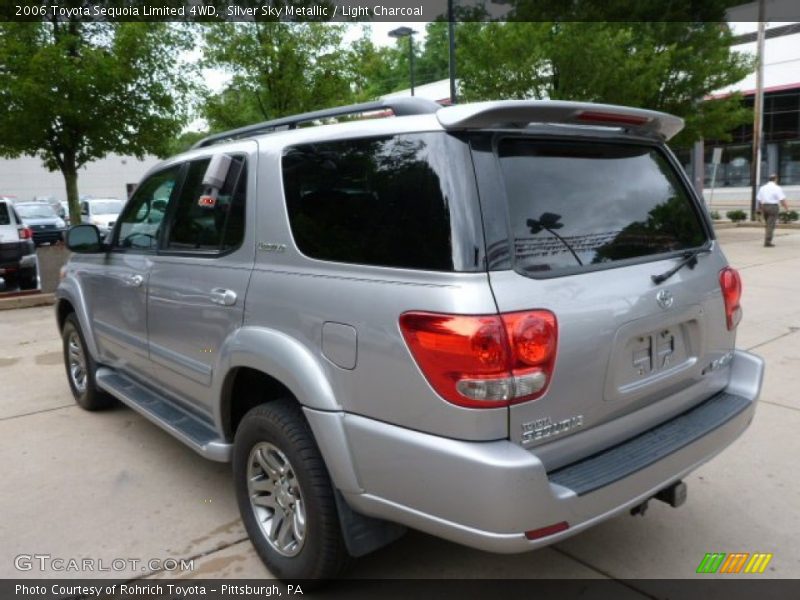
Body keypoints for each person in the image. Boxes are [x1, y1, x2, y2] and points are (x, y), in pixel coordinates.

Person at [756, 174, 789, 247]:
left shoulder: (762, 188)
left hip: (764, 206)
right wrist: (786, 208)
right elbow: (782, 199)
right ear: (775, 179)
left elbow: (759, 199)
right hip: (773, 207)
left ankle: (767, 239)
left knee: (767, 224)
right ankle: (767, 242)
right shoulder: (777, 188)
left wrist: (759, 209)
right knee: (771, 225)